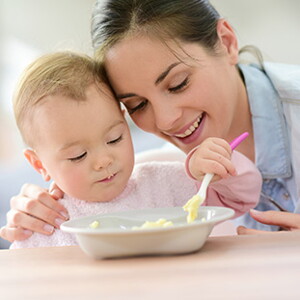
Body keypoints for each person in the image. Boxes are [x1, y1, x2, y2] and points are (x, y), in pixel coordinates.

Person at [1, 0, 299, 243]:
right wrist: (40, 213)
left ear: (227, 42)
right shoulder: (156, 172)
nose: (166, 120)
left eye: (178, 83)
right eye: (138, 105)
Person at [8, 50, 260, 248]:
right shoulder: (45, 221)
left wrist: (216, 165)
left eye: (115, 138)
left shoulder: (165, 183)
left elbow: (243, 196)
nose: (104, 160)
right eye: (78, 155)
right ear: (40, 165)